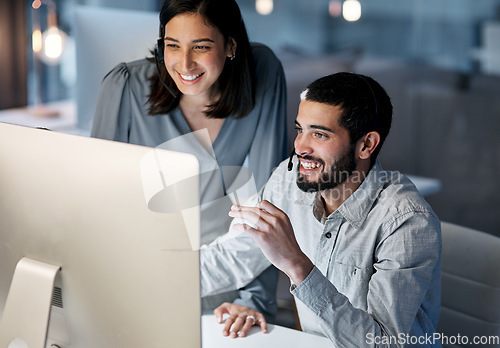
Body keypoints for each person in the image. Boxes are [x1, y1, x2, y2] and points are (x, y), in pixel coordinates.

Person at [201, 72, 442, 346]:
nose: (300, 147)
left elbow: (381, 342)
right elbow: (231, 257)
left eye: (319, 134)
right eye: (300, 129)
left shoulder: (407, 221)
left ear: (366, 144)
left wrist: (297, 265)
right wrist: (155, 279)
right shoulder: (288, 181)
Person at [91, 0, 288, 320]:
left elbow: (266, 202)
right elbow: (97, 204)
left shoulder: (262, 72)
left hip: (222, 279)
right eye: (172, 46)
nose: (185, 63)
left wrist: (253, 301)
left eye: (201, 46)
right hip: (138, 277)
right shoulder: (124, 86)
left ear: (231, 46)